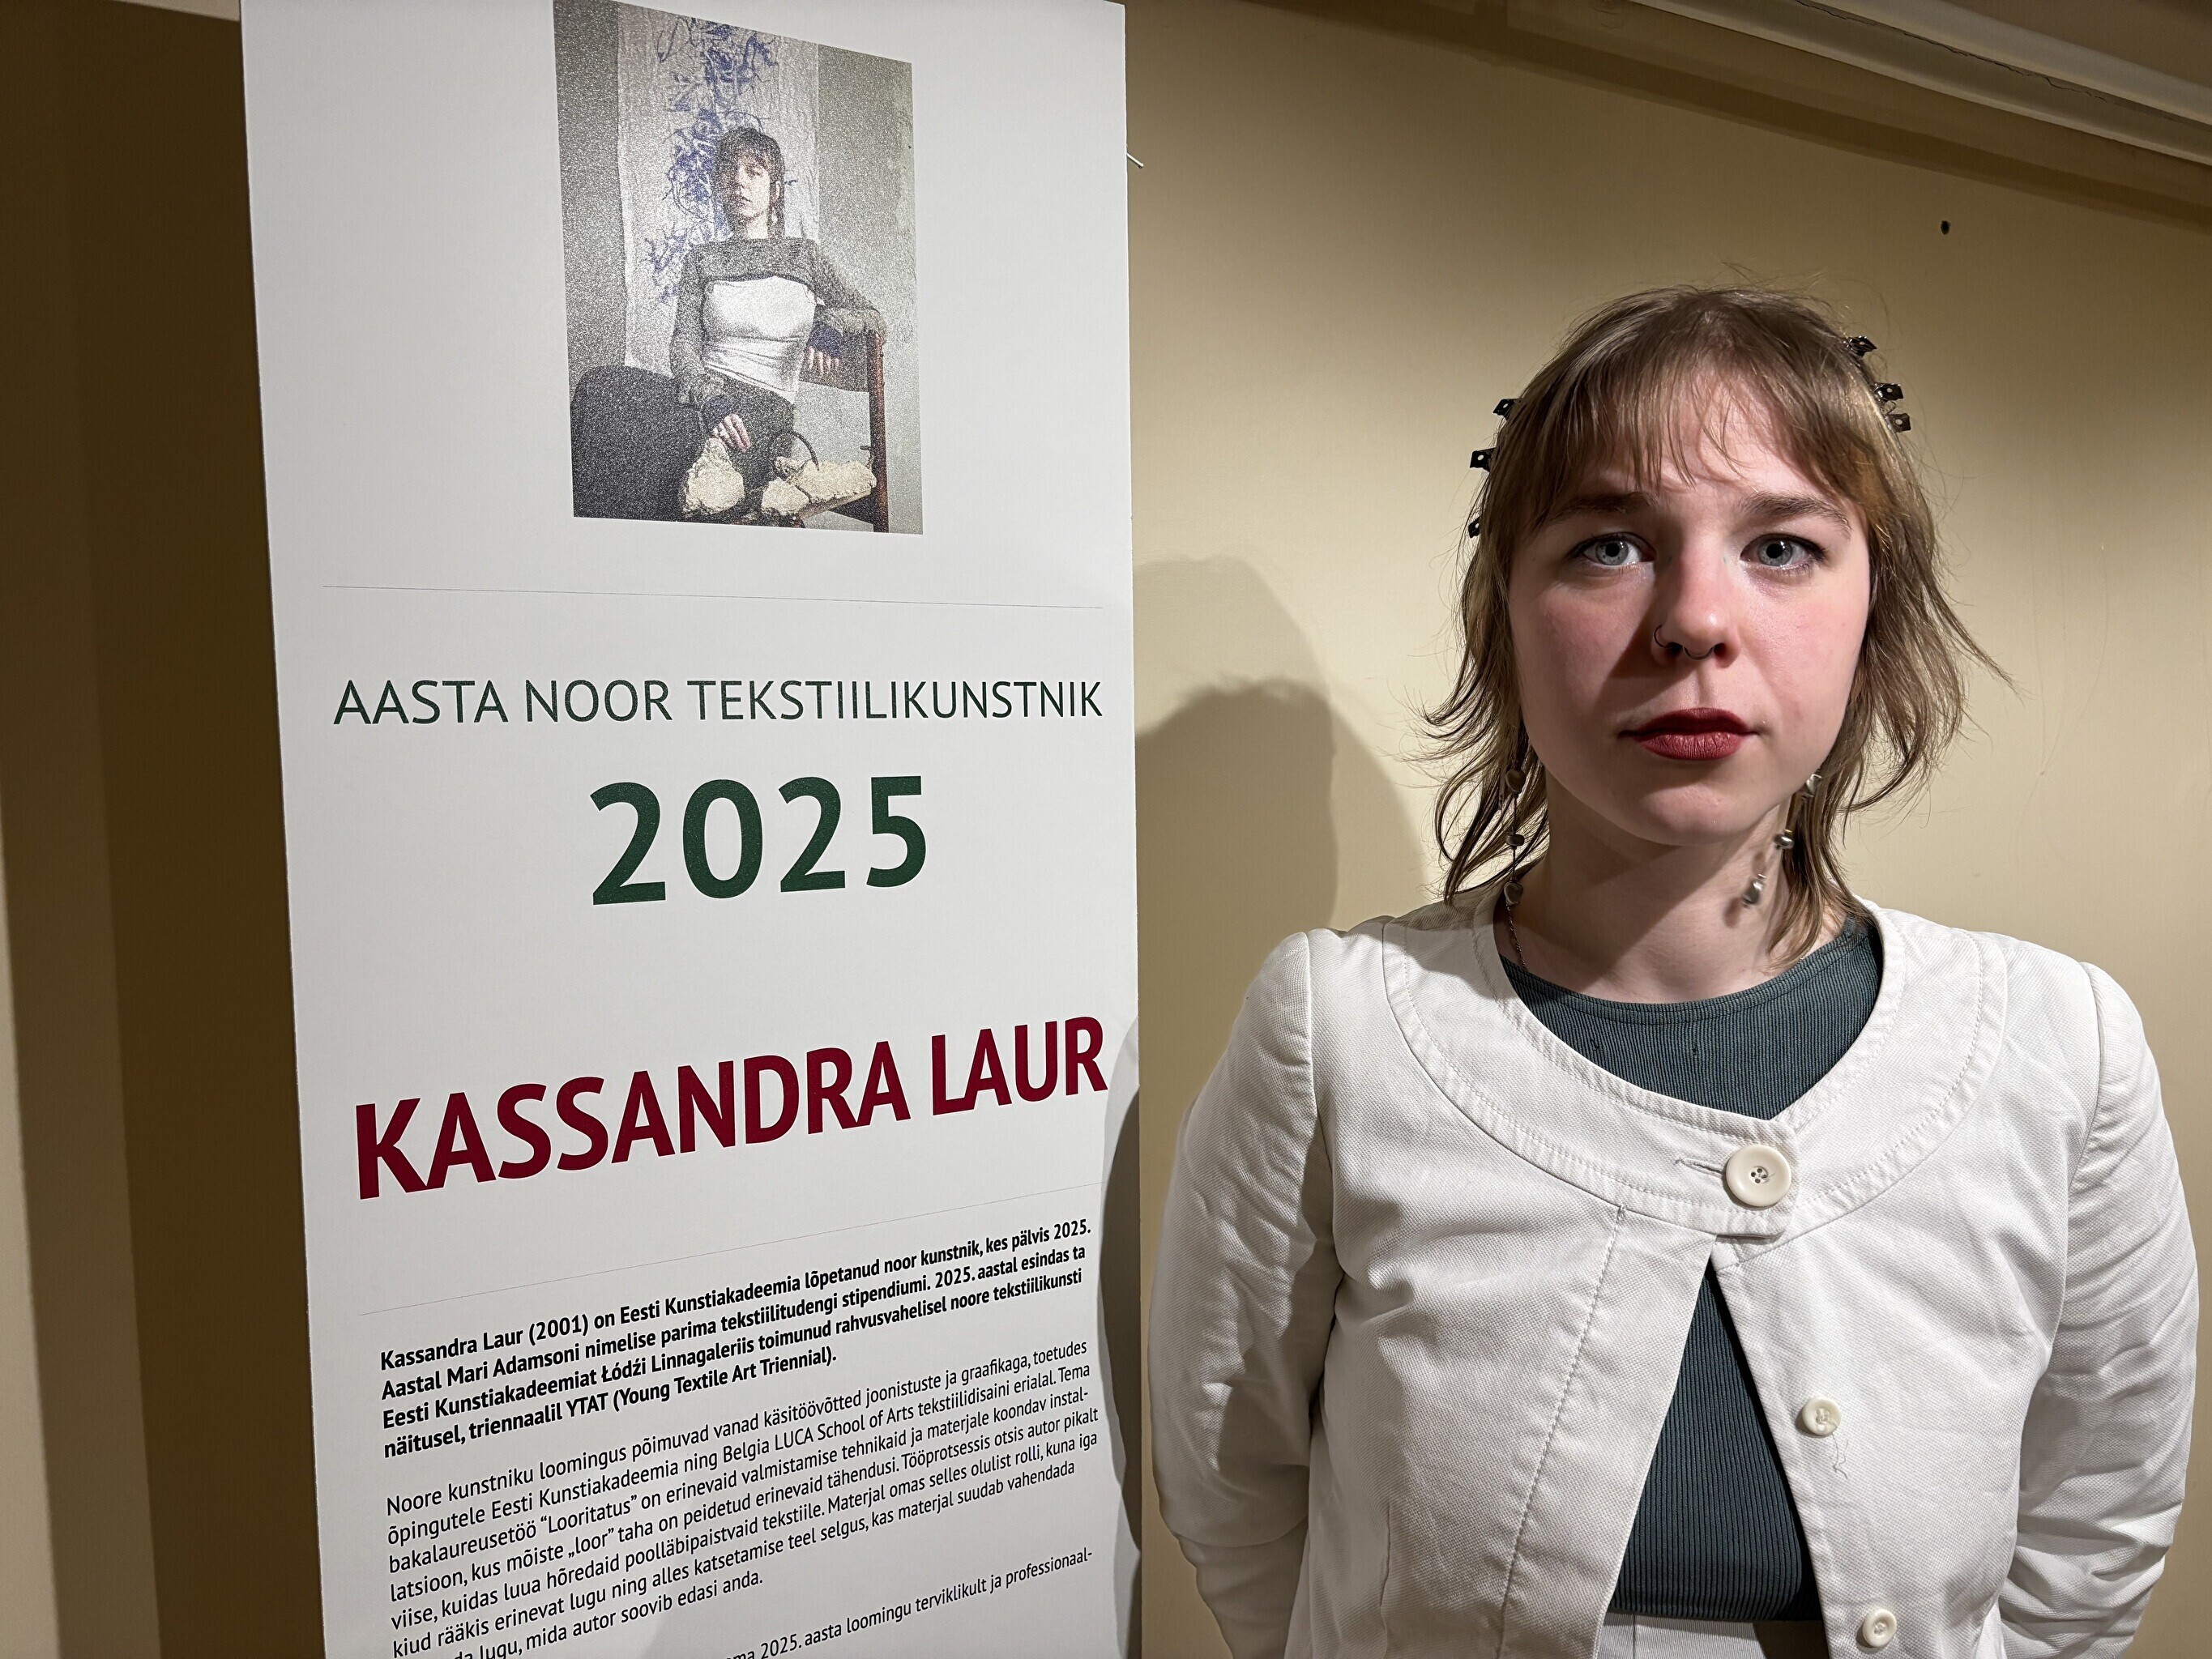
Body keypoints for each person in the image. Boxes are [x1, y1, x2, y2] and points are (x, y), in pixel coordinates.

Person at [1149, 287, 2197, 1659]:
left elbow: (2096, 1518)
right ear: (1507, 616)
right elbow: (1233, 1482)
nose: (1695, 618)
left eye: (1781, 545)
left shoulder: (2061, 1047)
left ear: (1871, 611)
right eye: (1608, 545)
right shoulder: (1334, 1031)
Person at [570, 126, 882, 522]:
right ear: (719, 187)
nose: (739, 180)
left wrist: (831, 324)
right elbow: (684, 343)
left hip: (762, 412)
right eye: (729, 171)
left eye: (753, 172)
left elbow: (873, 316)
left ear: (774, 190)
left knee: (663, 446)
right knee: (599, 388)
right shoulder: (702, 259)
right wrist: (709, 398)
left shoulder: (804, 256)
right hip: (708, 398)